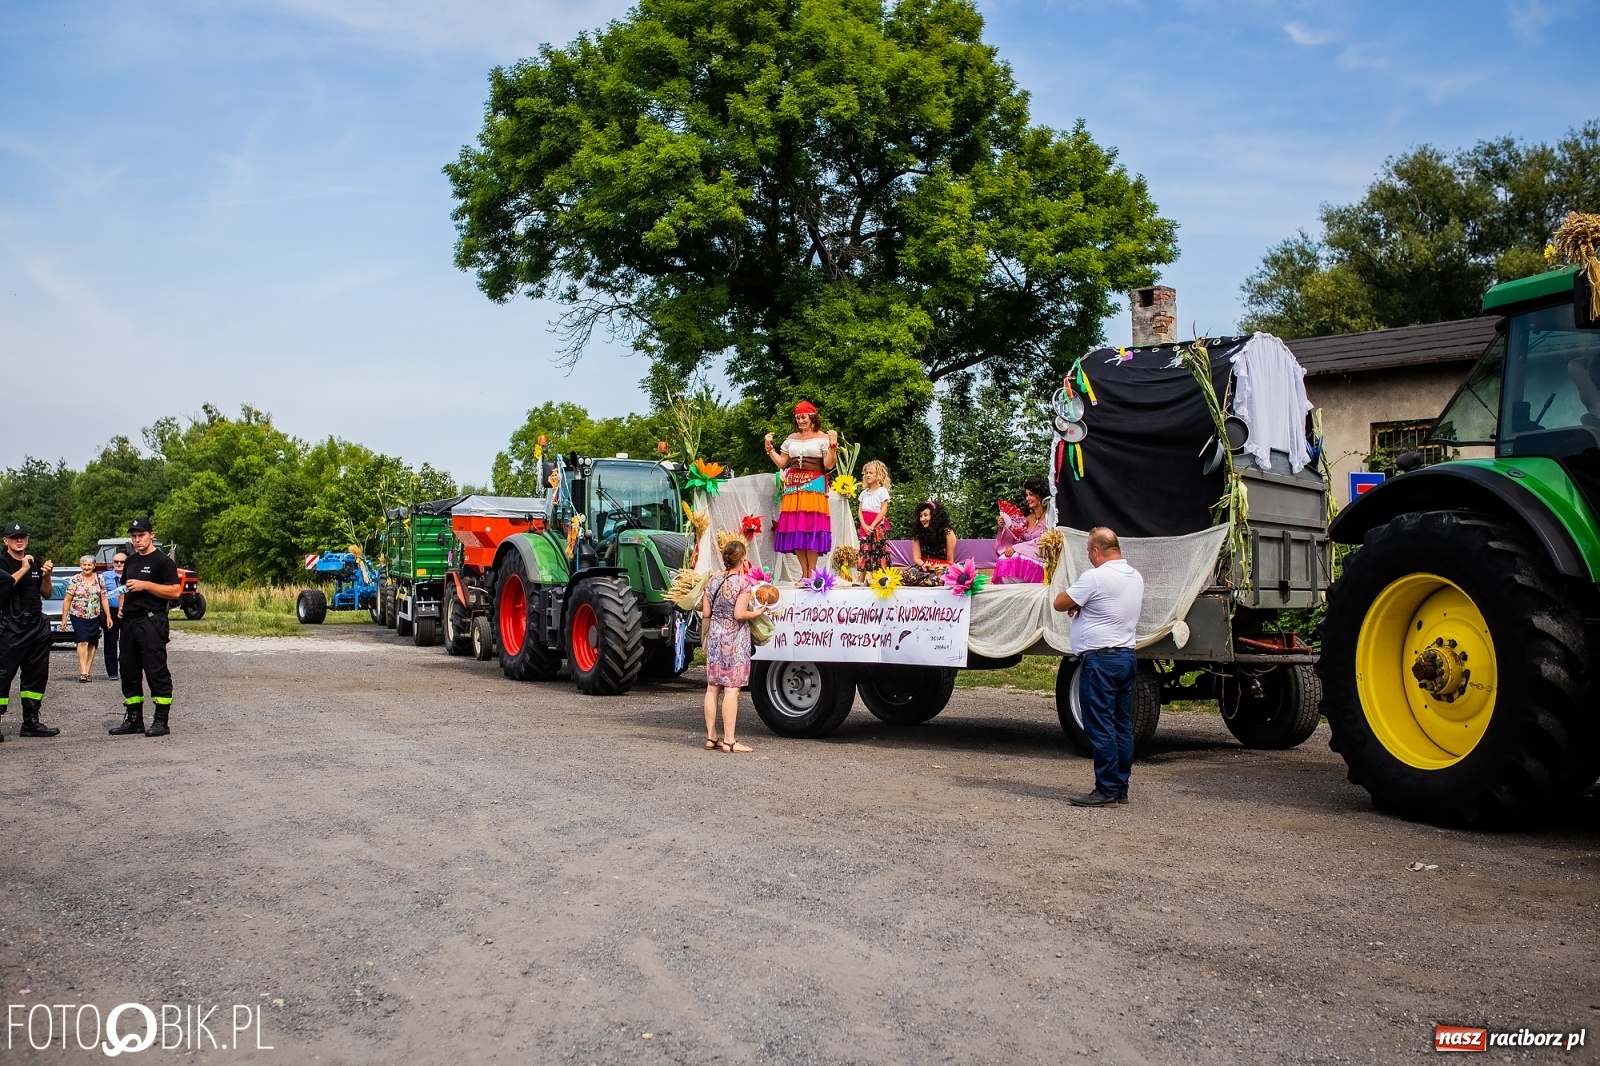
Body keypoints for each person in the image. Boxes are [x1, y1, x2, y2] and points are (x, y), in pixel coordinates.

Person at [1053, 527, 1144, 806]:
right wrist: (1085, 607)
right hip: (1126, 656)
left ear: (1095, 551)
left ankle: (1105, 788)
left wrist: (1078, 605)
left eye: (1089, 553)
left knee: (1100, 725)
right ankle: (1120, 786)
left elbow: (1059, 603)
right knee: (1120, 724)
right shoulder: (1135, 576)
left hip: (1100, 660)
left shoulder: (1095, 577)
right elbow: (1109, 607)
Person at [110, 517, 182, 738]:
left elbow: (175, 592)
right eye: (133, 536)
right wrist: (121, 606)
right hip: (130, 622)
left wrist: (147, 585)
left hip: (152, 621)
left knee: (155, 669)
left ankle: (161, 720)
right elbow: (125, 589)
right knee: (128, 670)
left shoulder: (163, 562)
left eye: (141, 535)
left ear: (151, 535)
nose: (137, 539)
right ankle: (134, 719)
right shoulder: (130, 561)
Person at [701, 538, 765, 754]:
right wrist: (757, 613)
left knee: (712, 688)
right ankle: (729, 741)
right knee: (731, 689)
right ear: (742, 559)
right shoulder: (743, 583)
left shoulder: (711, 581)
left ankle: (712, 737)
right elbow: (739, 614)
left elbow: (706, 614)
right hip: (735, 639)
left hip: (715, 638)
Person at [0, 521, 61, 739]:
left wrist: (46, 577)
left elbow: (46, 593)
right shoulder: (3, 562)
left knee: (36, 675)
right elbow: (3, 587)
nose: (19, 540)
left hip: (36, 626)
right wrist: (24, 568)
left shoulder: (35, 562)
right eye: (14, 537)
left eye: (23, 537)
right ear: (5, 540)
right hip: (10, 627)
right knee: (3, 675)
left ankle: (31, 722)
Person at [764, 401, 836, 580]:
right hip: (793, 486)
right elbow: (782, 463)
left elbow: (828, 464)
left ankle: (812, 573)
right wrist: (769, 447)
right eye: (797, 417)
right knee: (797, 529)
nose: (800, 421)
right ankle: (804, 574)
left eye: (803, 417)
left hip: (814, 486)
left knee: (811, 527)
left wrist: (833, 445)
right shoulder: (791, 438)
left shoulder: (822, 438)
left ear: (812, 417)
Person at [60, 555, 112, 683]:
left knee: (92, 642)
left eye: (89, 565)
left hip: (94, 614)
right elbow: (67, 600)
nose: (87, 567)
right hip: (78, 614)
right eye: (84, 565)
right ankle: (83, 672)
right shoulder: (75, 580)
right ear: (80, 565)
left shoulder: (99, 579)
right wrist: (64, 619)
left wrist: (108, 616)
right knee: (82, 641)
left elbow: (104, 598)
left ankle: (88, 671)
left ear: (94, 566)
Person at [993, 476, 1052, 584]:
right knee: (1004, 559)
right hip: (1024, 561)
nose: (1027, 498)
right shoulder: (1026, 518)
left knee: (1013, 558)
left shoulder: (1051, 518)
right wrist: (1004, 527)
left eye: (1031, 494)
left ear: (1041, 495)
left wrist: (1017, 548)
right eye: (1026, 495)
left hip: (1042, 561)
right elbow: (1013, 540)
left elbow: (1044, 542)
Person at [856, 460, 892, 574]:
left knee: (878, 550)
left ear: (878, 475)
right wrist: (864, 525)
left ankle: (879, 577)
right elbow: (860, 511)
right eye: (866, 473)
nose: (868, 475)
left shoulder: (882, 491)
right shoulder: (863, 493)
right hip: (865, 525)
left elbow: (883, 510)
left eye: (871, 473)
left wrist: (872, 525)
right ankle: (861, 577)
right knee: (865, 550)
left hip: (877, 527)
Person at [910, 500, 956, 568]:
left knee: (934, 578)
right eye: (921, 516)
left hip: (942, 567)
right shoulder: (918, 533)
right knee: (907, 575)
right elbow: (916, 558)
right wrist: (923, 565)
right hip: (924, 565)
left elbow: (950, 561)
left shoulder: (948, 533)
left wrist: (936, 567)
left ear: (934, 516)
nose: (922, 519)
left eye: (925, 515)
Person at [101, 551, 125, 679]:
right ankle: (112, 672)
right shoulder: (105, 576)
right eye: (116, 562)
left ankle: (127, 670)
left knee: (127, 643)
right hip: (110, 611)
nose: (119, 564)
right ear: (112, 563)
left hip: (127, 611)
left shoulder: (131, 576)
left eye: (122, 562)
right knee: (110, 643)